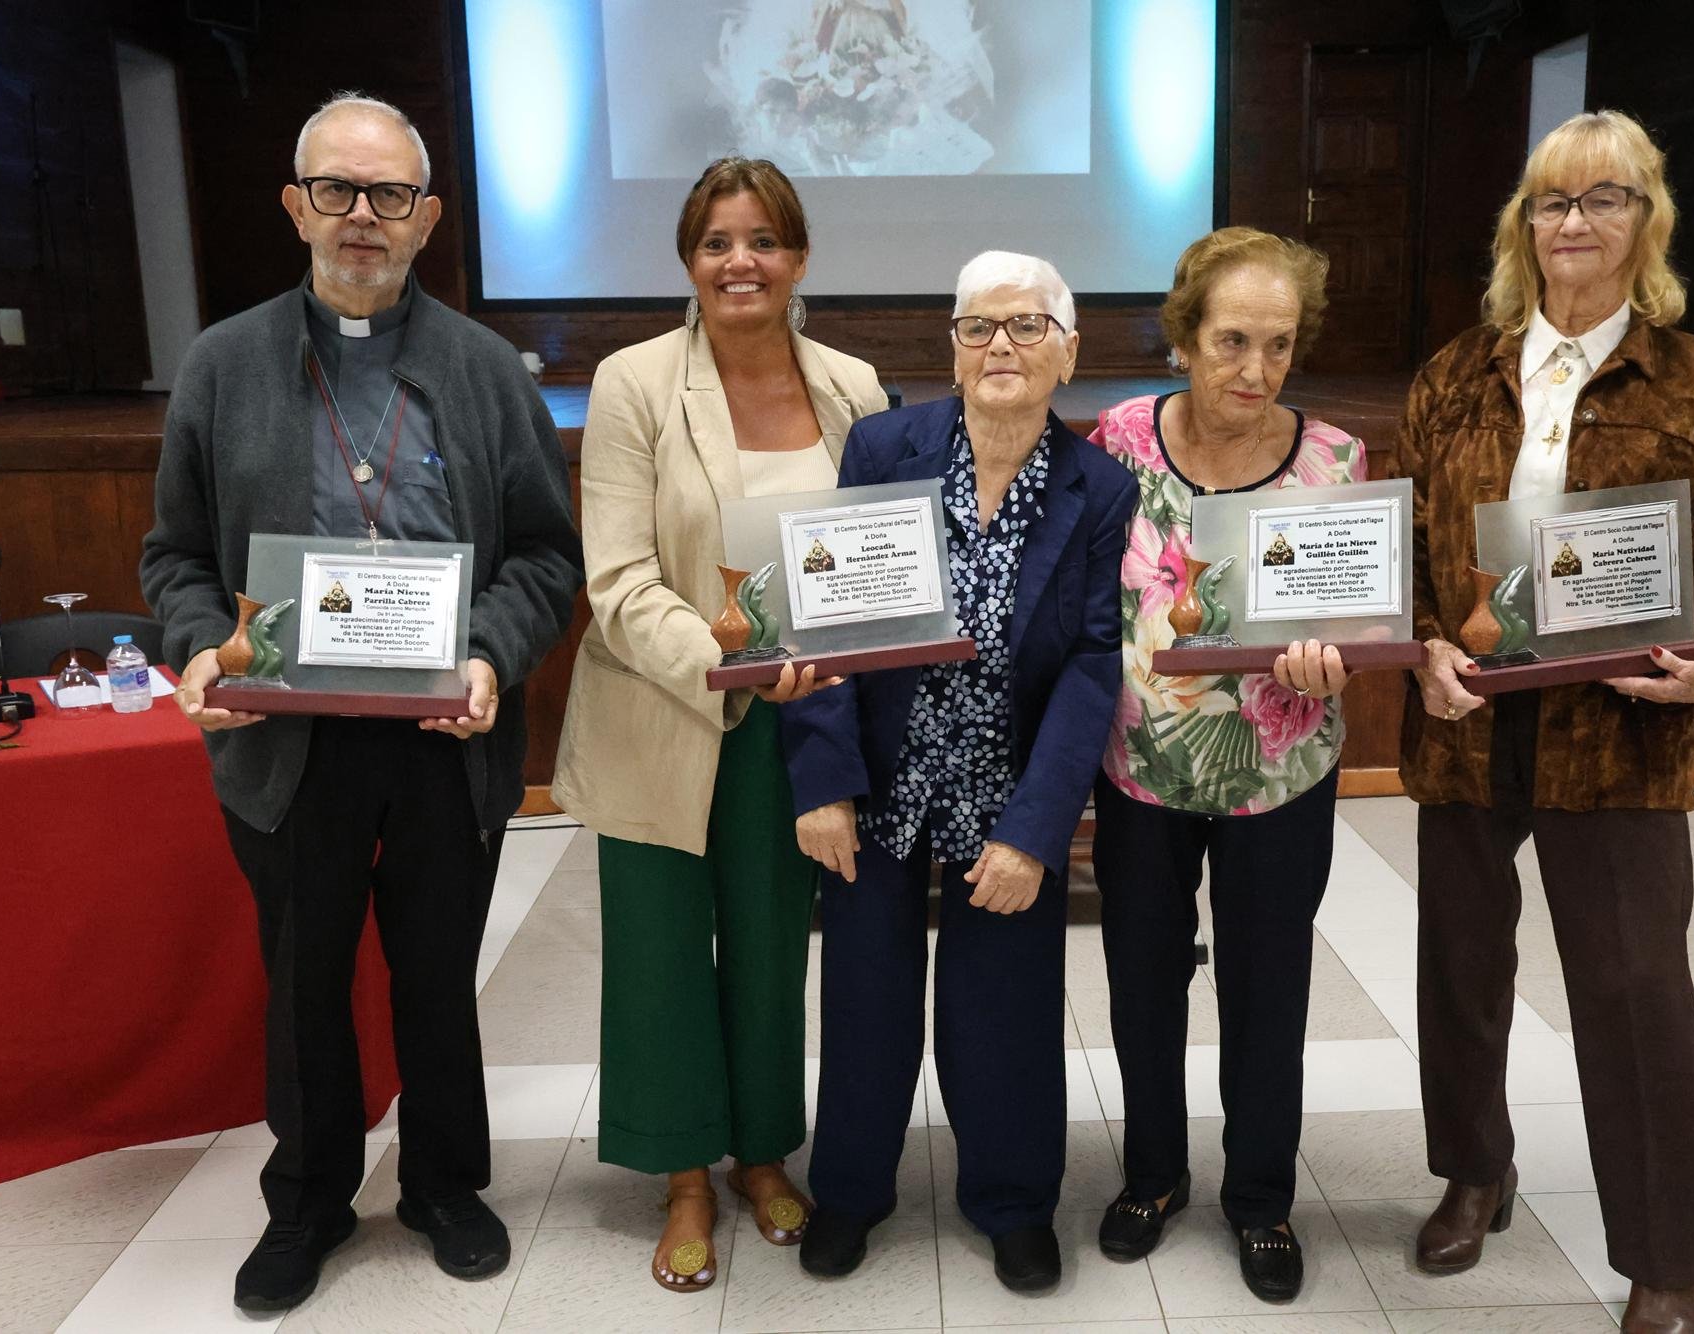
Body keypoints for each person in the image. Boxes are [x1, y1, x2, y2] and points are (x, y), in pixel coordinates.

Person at [139, 93, 581, 1311]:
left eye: (389, 195)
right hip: (287, 741)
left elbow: (549, 553)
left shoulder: (488, 371)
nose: (361, 216)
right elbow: (173, 555)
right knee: (304, 977)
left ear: (429, 218)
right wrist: (200, 647)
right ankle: (312, 1198)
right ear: (295, 204)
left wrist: (492, 649)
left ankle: (445, 1184)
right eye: (335, 189)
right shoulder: (222, 365)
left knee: (438, 974)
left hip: (446, 733)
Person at [1398, 110, 1694, 1334]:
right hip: (1469, 721)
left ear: (1649, 221)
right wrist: (1426, 644)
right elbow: (1414, 552)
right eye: (1550, 201)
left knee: (1636, 990)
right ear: (1521, 226)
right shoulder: (1453, 375)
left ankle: (1665, 1255)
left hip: (1621, 732)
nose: (1573, 222)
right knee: (1461, 971)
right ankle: (1476, 1172)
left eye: (1604, 198)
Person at [547, 158, 888, 1294]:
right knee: (658, 957)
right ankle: (683, 1173)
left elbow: (881, 559)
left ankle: (759, 1154)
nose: (740, 261)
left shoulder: (854, 388)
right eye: (716, 242)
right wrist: (737, 663)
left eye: (763, 240)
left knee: (769, 945)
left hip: (805, 729)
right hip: (666, 707)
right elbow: (620, 575)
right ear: (688, 260)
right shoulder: (635, 382)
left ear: (800, 257)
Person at [783, 251, 1138, 1293]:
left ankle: (1014, 1197)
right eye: (978, 327)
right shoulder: (883, 446)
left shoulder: (1099, 485)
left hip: (1004, 788)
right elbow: (828, 617)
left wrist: (1038, 828)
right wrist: (822, 779)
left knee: (1008, 1007)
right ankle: (848, 1189)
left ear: (1068, 353)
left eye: (1027, 327)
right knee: (863, 998)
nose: (1000, 347)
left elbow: (1089, 664)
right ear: (950, 346)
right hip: (881, 781)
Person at [1085, 227, 1366, 1302]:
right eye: (1233, 340)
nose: (1256, 370)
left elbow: (1355, 612)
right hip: (1141, 769)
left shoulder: (1335, 459)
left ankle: (1261, 1196)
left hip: (1278, 771)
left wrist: (1338, 659)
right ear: (1185, 338)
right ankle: (1152, 1175)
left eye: (1280, 344)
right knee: (1142, 979)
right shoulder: (1118, 440)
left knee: (1268, 986)